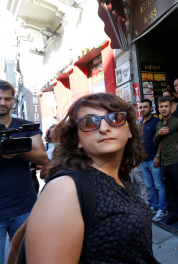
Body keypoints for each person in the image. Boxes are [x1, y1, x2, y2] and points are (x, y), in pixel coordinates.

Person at [25, 93, 158, 263]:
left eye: (115, 118)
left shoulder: (120, 175)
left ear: (130, 130)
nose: (104, 128)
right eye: (89, 122)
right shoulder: (64, 189)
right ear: (77, 139)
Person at [0, 80, 50, 262]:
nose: (3, 103)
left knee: (28, 257)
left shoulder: (27, 126)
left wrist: (19, 149)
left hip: (23, 205)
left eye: (7, 98)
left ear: (13, 100)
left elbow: (43, 158)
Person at [153, 96, 178, 224]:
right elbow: (156, 142)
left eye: (166, 106)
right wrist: (158, 134)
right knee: (171, 192)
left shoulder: (177, 122)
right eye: (161, 106)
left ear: (171, 108)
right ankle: (177, 214)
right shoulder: (159, 124)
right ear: (158, 108)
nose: (164, 109)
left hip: (177, 162)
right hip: (165, 163)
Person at [138, 99, 167, 222]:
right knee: (149, 186)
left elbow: (161, 140)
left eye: (145, 107)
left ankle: (162, 209)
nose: (142, 109)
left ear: (151, 108)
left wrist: (157, 156)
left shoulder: (156, 122)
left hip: (153, 160)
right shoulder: (140, 123)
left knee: (159, 186)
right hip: (143, 161)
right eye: (141, 107)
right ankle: (154, 206)